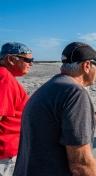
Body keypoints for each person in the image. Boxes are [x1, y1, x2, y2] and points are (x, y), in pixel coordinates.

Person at [14, 42, 96, 176]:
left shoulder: (53, 87)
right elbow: (81, 164)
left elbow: (83, 120)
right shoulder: (75, 92)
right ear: (87, 65)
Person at [0, 42, 34, 176]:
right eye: (28, 60)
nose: (31, 64)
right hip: (5, 155)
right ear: (10, 59)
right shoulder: (4, 78)